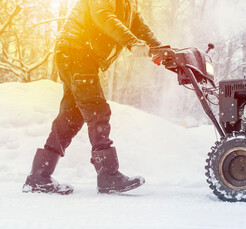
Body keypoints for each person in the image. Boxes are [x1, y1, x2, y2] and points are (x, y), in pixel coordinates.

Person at [22, 0, 161, 195]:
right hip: (77, 52)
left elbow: (138, 27)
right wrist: (132, 42)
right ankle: (108, 176)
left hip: (76, 54)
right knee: (96, 109)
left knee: (72, 116)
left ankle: (39, 176)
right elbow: (103, 16)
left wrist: (160, 49)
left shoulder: (128, 4)